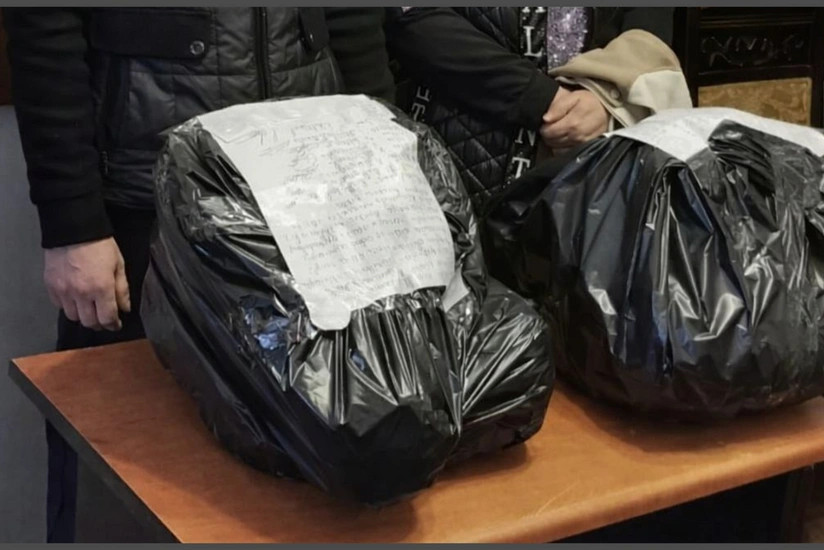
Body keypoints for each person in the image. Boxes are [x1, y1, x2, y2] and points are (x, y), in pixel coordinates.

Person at [3, 7, 393, 542]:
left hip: (302, 199)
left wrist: (383, 170)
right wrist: (73, 225)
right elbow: (44, 35)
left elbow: (353, 20)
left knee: (281, 471)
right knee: (120, 476)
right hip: (146, 205)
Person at [386, 7, 675, 213]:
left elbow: (647, 21)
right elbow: (412, 20)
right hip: (456, 141)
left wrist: (607, 94)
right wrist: (543, 99)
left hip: (594, 149)